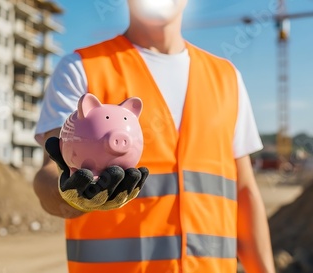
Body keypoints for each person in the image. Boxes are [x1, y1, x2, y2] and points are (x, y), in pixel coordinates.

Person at [33, 0, 275, 272]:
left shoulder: (227, 78)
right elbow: (48, 177)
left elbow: (244, 191)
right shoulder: (80, 69)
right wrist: (73, 196)